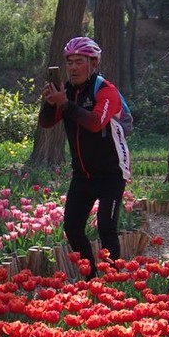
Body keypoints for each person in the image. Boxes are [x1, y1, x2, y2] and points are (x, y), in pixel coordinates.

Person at [39, 36, 132, 278]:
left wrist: (65, 105)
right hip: (82, 174)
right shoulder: (67, 91)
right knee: (72, 227)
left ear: (93, 63)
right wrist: (50, 103)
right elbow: (46, 123)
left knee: (106, 227)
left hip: (111, 172)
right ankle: (91, 279)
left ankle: (114, 281)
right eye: (69, 62)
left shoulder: (106, 90)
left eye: (79, 62)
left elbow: (94, 122)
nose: (73, 68)